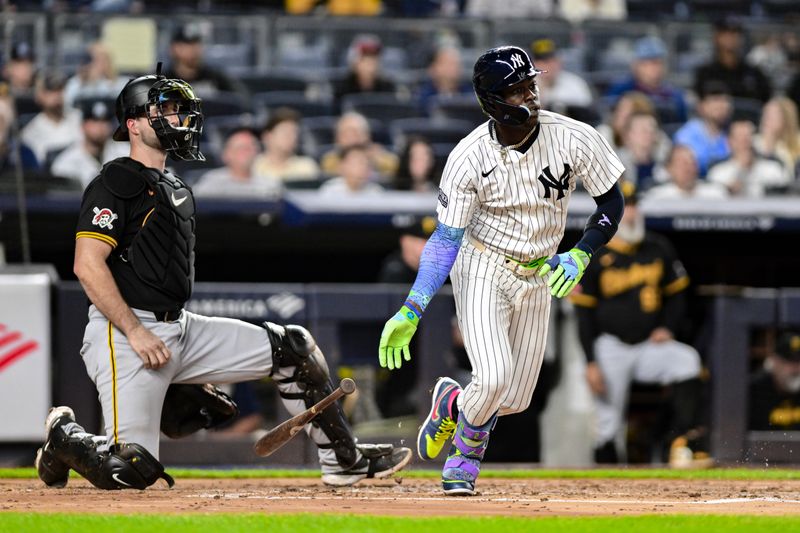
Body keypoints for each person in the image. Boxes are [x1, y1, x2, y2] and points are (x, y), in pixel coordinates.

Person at [33, 68, 411, 491]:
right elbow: (87, 265)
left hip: (179, 327)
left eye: (179, 110)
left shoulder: (174, 184)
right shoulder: (114, 182)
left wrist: (186, 358)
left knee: (293, 347)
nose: (178, 118)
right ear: (134, 125)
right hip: (123, 335)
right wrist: (136, 330)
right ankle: (64, 436)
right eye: (166, 110)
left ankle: (345, 461)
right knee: (132, 469)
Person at [378, 46, 625, 495]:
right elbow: (446, 240)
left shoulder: (573, 136)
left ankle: (452, 402)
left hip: (539, 272)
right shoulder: (468, 157)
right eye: (517, 91)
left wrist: (582, 252)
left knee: (513, 400)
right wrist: (412, 309)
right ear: (492, 100)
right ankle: (465, 459)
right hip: (483, 265)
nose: (530, 96)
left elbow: (611, 200)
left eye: (531, 85)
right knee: (491, 379)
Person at [571, 182, 707, 466]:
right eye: (626, 208)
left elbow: (678, 296)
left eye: (634, 206)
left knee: (687, 361)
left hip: (648, 345)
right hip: (610, 347)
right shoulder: (595, 253)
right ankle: (606, 483)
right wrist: (590, 362)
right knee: (607, 425)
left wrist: (668, 327)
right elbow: (583, 315)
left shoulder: (657, 247)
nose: (631, 214)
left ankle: (677, 439)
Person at [606, 36, 689, 124]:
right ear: (636, 65)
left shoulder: (674, 95)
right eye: (648, 64)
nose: (655, 69)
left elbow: (681, 126)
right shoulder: (621, 90)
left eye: (659, 63)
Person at [50, 99, 128, 188]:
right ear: (83, 125)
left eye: (105, 121)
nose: (100, 126)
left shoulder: (126, 153)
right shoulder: (66, 162)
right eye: (95, 120)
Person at [692, 18, 771, 104]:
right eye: (725, 33)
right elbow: (698, 104)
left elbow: (766, 102)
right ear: (716, 37)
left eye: (734, 33)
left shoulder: (755, 74)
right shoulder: (705, 73)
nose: (730, 38)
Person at [707, 120, 789, 197]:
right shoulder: (718, 172)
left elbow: (786, 196)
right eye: (740, 138)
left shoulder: (773, 168)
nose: (745, 142)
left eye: (748, 137)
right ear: (729, 142)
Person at [193, 127, 282, 198]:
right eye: (241, 148)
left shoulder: (270, 186)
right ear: (226, 154)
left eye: (250, 148)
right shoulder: (211, 183)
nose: (247, 153)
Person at [162, 23, 245, 99]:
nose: (194, 49)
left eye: (197, 43)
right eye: (187, 44)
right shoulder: (163, 80)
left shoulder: (216, 77)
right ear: (173, 48)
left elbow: (241, 100)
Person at [20, 71, 82, 164]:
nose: (57, 94)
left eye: (60, 89)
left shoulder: (79, 118)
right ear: (39, 95)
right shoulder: (31, 132)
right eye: (50, 90)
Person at [673, 81, 732, 177]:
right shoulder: (686, 135)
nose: (721, 106)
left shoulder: (732, 134)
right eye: (715, 100)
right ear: (701, 106)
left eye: (725, 100)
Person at [320, 111, 398, 178]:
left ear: (367, 136)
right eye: (345, 134)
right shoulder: (331, 159)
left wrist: (375, 160)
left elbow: (397, 170)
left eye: (355, 133)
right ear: (337, 139)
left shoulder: (381, 157)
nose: (351, 139)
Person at [252, 107, 320, 183]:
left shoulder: (306, 167)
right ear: (267, 136)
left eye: (294, 132)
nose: (291, 137)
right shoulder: (253, 165)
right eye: (285, 132)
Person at [749, 331, 800, 431]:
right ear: (774, 362)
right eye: (790, 362)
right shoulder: (753, 392)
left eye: (799, 362)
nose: (796, 369)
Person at [529, 39, 593, 113]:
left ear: (559, 61)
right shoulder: (525, 85)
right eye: (541, 62)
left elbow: (587, 114)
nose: (546, 66)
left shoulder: (575, 83)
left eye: (551, 61)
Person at [333, 35, 396, 109]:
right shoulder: (342, 88)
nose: (370, 64)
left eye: (374, 59)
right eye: (364, 60)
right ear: (354, 62)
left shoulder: (387, 87)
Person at [647, 145, 728, 200]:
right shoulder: (657, 197)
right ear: (670, 169)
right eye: (683, 164)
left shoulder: (715, 194)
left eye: (692, 163)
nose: (688, 168)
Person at [63, 42, 128, 109]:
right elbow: (68, 103)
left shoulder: (119, 82)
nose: (101, 64)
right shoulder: (76, 82)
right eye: (96, 60)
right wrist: (86, 81)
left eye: (104, 60)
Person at [415, 46, 472, 115]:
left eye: (457, 64)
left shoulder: (470, 94)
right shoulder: (422, 97)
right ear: (433, 68)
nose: (455, 68)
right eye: (449, 64)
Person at [754, 96, 800, 178]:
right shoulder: (754, 142)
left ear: (787, 118)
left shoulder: (797, 141)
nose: (765, 119)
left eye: (772, 115)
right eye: (765, 114)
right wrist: (768, 146)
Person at [319, 144, 384, 195]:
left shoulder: (376, 192)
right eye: (358, 162)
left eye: (367, 163)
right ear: (342, 166)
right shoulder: (329, 190)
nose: (364, 167)